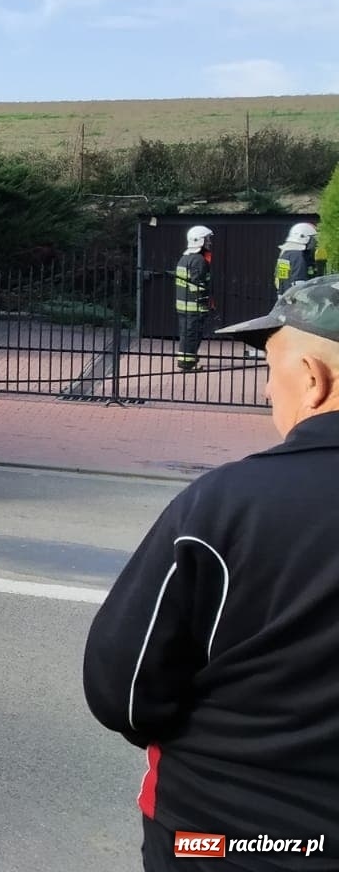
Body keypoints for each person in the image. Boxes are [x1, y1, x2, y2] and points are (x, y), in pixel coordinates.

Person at [84, 275, 339, 870]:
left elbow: (121, 692)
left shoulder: (227, 504)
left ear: (312, 378)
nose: (269, 389)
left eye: (271, 369)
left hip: (227, 833)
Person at [173, 225, 213, 371]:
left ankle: (186, 359)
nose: (209, 242)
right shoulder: (198, 260)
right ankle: (187, 364)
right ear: (199, 241)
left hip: (183, 305)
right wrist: (205, 300)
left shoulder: (185, 258)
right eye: (207, 239)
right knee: (192, 335)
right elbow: (197, 285)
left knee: (186, 334)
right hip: (194, 305)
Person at [274, 222, 318, 298]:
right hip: (296, 300)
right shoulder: (298, 256)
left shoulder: (285, 254)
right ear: (305, 238)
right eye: (313, 238)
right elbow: (299, 282)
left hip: (284, 297)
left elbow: (279, 279)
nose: (315, 242)